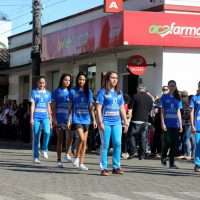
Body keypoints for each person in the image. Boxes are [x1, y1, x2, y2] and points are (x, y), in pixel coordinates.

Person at [96, 71, 129, 176]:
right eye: (112, 78)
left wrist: (126, 121)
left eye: (116, 78)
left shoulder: (119, 92)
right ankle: (104, 168)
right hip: (105, 122)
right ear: (107, 79)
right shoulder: (102, 92)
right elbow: (98, 108)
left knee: (117, 143)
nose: (114, 80)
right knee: (105, 145)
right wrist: (100, 122)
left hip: (117, 122)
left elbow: (122, 108)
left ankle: (116, 167)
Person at [69, 72, 97, 171]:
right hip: (76, 118)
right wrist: (69, 119)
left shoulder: (88, 92)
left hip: (86, 119)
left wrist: (94, 120)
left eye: (84, 80)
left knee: (84, 142)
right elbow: (70, 106)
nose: (82, 81)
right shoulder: (72, 91)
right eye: (80, 79)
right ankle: (76, 157)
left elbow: (91, 107)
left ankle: (81, 163)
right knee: (81, 138)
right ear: (77, 80)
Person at [160, 80, 183, 169]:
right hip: (167, 124)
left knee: (174, 144)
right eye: (170, 85)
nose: (172, 87)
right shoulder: (164, 97)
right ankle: (163, 156)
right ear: (168, 87)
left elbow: (178, 112)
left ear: (175, 87)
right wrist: (163, 123)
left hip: (175, 125)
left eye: (173, 85)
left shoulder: (178, 98)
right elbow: (162, 111)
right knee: (167, 143)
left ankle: (172, 163)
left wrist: (180, 125)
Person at [52, 73, 73, 168]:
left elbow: (72, 106)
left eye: (69, 80)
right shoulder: (56, 91)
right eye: (65, 80)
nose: (67, 82)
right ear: (61, 80)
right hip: (59, 117)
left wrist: (70, 118)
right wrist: (54, 118)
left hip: (68, 118)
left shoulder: (72, 92)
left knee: (70, 137)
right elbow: (53, 106)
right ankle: (58, 160)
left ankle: (67, 153)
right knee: (60, 139)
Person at [30, 76, 52, 163]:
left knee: (47, 132)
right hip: (36, 116)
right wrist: (31, 117)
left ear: (45, 84)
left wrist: (50, 118)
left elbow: (49, 106)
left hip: (45, 116)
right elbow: (32, 105)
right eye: (40, 82)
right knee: (36, 136)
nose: (41, 84)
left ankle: (44, 149)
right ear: (37, 83)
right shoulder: (34, 92)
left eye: (43, 83)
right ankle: (36, 156)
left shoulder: (48, 93)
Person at [127, 86, 153, 160]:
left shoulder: (135, 96)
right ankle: (142, 155)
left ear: (138, 90)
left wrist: (128, 120)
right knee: (143, 137)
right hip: (145, 120)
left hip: (135, 119)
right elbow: (150, 110)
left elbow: (130, 108)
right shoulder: (149, 98)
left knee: (131, 135)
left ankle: (133, 151)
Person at [190, 82, 200, 172]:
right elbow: (192, 112)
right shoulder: (195, 97)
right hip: (197, 126)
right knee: (198, 145)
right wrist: (192, 125)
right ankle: (197, 164)